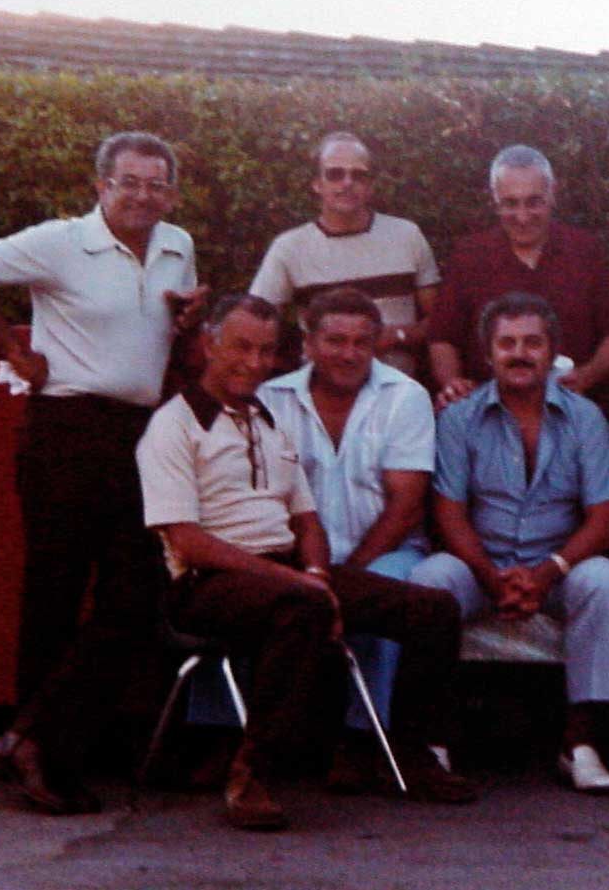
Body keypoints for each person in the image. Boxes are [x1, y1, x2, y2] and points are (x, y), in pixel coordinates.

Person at [135, 295, 475, 831]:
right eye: (240, 347)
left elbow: (307, 521)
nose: (255, 361)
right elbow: (188, 541)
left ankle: (410, 751)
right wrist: (300, 583)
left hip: (285, 571)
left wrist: (317, 574)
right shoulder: (173, 426)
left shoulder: (268, 420)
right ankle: (253, 773)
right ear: (208, 346)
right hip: (207, 582)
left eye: (266, 350)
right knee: (298, 606)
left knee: (432, 609)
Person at [0, 131, 207, 814]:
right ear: (99, 186)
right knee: (54, 594)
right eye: (128, 182)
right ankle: (42, 756)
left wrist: (189, 318)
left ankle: (29, 736)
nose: (142, 195)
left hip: (141, 433)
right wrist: (12, 351)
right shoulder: (60, 241)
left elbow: (165, 332)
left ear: (170, 191)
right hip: (67, 427)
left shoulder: (178, 245)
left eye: (155, 183)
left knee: (137, 595)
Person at [410, 292, 609, 794]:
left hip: (555, 566)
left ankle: (581, 744)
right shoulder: (459, 418)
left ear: (553, 351)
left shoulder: (585, 417)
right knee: (429, 580)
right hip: (479, 564)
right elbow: (448, 510)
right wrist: (492, 577)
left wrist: (546, 573)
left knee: (602, 579)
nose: (519, 353)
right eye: (506, 343)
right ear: (487, 354)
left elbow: (605, 515)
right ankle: (433, 742)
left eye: (533, 342)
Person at [256, 287, 438, 791]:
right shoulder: (271, 399)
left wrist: (349, 574)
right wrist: (307, 566)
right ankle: (227, 736)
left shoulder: (406, 396)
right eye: (335, 340)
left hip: (386, 551)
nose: (349, 353)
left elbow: (406, 507)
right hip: (296, 551)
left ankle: (360, 739)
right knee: (249, 586)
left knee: (384, 593)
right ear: (308, 343)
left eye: (362, 342)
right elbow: (264, 496)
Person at [427, 144, 609, 412]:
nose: (522, 217)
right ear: (494, 199)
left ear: (553, 194)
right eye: (510, 204)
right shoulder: (470, 256)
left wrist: (586, 375)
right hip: (490, 414)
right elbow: (442, 338)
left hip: (570, 410)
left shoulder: (585, 251)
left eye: (534, 202)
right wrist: (453, 383)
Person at [249, 132, 441, 378]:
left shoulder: (407, 235)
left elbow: (439, 323)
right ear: (317, 183)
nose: (347, 182)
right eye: (335, 174)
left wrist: (395, 336)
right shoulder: (290, 248)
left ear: (370, 185)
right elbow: (254, 324)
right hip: (320, 398)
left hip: (397, 398)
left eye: (358, 175)